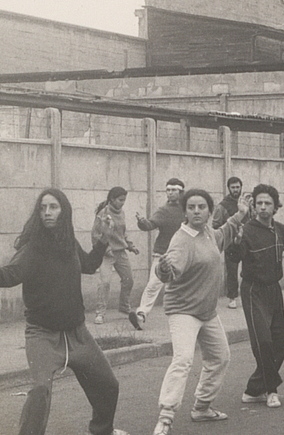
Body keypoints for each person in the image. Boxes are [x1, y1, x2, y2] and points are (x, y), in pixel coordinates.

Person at [0, 188, 129, 435]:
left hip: (77, 334)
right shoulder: (33, 248)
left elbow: (88, 265)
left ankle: (102, 430)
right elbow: (11, 274)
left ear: (63, 211)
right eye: (43, 208)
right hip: (42, 335)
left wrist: (103, 239)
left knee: (108, 385)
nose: (47, 212)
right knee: (39, 392)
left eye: (53, 207)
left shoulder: (68, 243)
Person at [150, 188, 251, 435]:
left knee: (220, 356)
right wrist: (163, 269)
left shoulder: (206, 232)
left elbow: (222, 233)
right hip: (183, 310)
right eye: (192, 207)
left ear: (209, 210)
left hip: (206, 311)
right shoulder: (181, 239)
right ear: (185, 212)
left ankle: (202, 407)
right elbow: (170, 270)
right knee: (183, 359)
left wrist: (240, 214)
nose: (197, 211)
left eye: (201, 207)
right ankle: (165, 417)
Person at [237, 183, 284, 409]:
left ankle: (253, 390)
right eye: (259, 203)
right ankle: (271, 390)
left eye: (267, 203)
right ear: (253, 206)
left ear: (275, 207)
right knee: (263, 342)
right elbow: (233, 257)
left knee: (281, 344)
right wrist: (236, 241)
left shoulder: (278, 229)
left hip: (273, 290)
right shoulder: (246, 230)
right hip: (253, 290)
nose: (262, 207)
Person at [130, 178, 185, 330]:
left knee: (184, 286)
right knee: (153, 285)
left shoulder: (188, 209)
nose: (170, 193)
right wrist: (142, 222)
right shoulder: (163, 210)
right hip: (162, 254)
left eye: (174, 190)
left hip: (182, 254)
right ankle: (141, 315)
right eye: (168, 190)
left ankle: (188, 318)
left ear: (181, 192)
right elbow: (150, 225)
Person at [92, 186, 139, 324]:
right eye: (120, 200)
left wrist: (130, 246)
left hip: (120, 252)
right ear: (112, 199)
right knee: (105, 282)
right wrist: (105, 250)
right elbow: (95, 235)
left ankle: (124, 307)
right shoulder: (102, 214)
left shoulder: (121, 212)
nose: (122, 203)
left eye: (124, 200)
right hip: (106, 254)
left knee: (128, 279)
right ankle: (100, 313)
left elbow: (122, 233)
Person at [210, 176, 244, 310]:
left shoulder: (246, 203)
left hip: (246, 241)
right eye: (233, 187)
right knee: (232, 271)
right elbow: (216, 225)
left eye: (237, 187)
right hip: (231, 243)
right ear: (229, 189)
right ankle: (232, 297)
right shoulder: (222, 206)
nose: (236, 190)